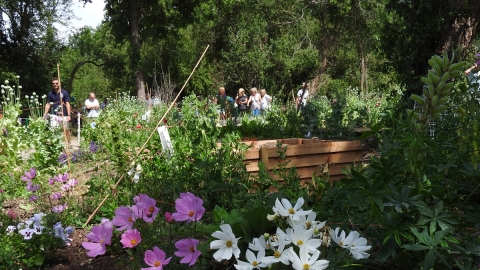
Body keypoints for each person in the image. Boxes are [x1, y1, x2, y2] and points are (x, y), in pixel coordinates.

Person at [43, 78, 72, 142]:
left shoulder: (64, 93)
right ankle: (54, 143)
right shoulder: (50, 93)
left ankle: (68, 143)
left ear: (59, 84)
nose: (55, 84)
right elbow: (48, 104)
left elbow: (67, 104)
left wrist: (69, 115)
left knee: (66, 129)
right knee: (53, 129)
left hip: (64, 114)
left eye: (56, 83)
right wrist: (45, 115)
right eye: (53, 83)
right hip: (54, 114)